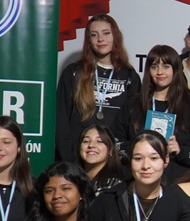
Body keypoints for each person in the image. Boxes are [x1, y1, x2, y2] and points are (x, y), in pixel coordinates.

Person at [123, 44, 190, 183]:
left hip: (178, 182)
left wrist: (181, 151)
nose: (159, 72)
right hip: (138, 180)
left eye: (166, 66)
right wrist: (135, 148)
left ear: (175, 69)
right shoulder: (134, 103)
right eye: (154, 67)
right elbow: (115, 142)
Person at [56, 14, 140, 163]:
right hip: (77, 159)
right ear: (89, 41)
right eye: (94, 35)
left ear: (115, 36)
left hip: (114, 162)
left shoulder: (130, 76)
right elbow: (61, 120)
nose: (100, 39)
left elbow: (132, 126)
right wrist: (70, 160)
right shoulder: (73, 72)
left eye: (106, 33)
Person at [77, 125, 122, 193]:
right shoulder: (73, 181)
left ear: (110, 150)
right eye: (86, 141)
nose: (91, 145)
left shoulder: (113, 186)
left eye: (99, 141)